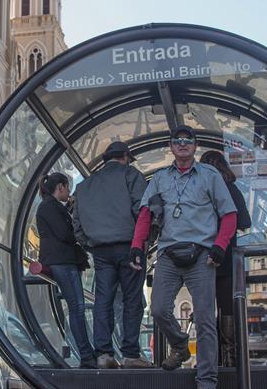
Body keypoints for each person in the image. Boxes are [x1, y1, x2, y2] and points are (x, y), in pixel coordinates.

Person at [130, 126, 237, 389]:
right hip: (169, 252)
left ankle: (207, 380)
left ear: (195, 146)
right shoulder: (159, 178)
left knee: (204, 319)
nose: (182, 144)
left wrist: (220, 246)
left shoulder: (210, 175)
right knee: (157, 308)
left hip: (202, 255)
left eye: (187, 141)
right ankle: (180, 347)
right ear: (171, 146)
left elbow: (230, 215)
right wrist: (136, 246)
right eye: (177, 141)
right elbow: (145, 213)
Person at [72, 141, 153, 369]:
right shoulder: (131, 176)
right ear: (125, 157)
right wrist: (144, 242)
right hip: (130, 246)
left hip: (101, 250)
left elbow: (76, 224)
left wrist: (91, 244)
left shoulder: (85, 186)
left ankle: (104, 354)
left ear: (106, 159)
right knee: (132, 300)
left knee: (103, 301)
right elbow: (143, 210)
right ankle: (130, 354)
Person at [36, 172, 96, 369]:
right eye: (67, 188)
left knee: (77, 307)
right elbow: (65, 233)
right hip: (62, 260)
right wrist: (75, 225)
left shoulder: (49, 206)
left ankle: (87, 353)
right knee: (77, 307)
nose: (68, 192)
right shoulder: (49, 207)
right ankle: (86, 354)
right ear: (60, 187)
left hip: (62, 260)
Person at [199, 150, 251, 367]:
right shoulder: (231, 189)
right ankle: (229, 358)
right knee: (227, 309)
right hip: (227, 257)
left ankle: (208, 359)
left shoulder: (199, 190)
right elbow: (245, 221)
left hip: (202, 256)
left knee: (205, 309)